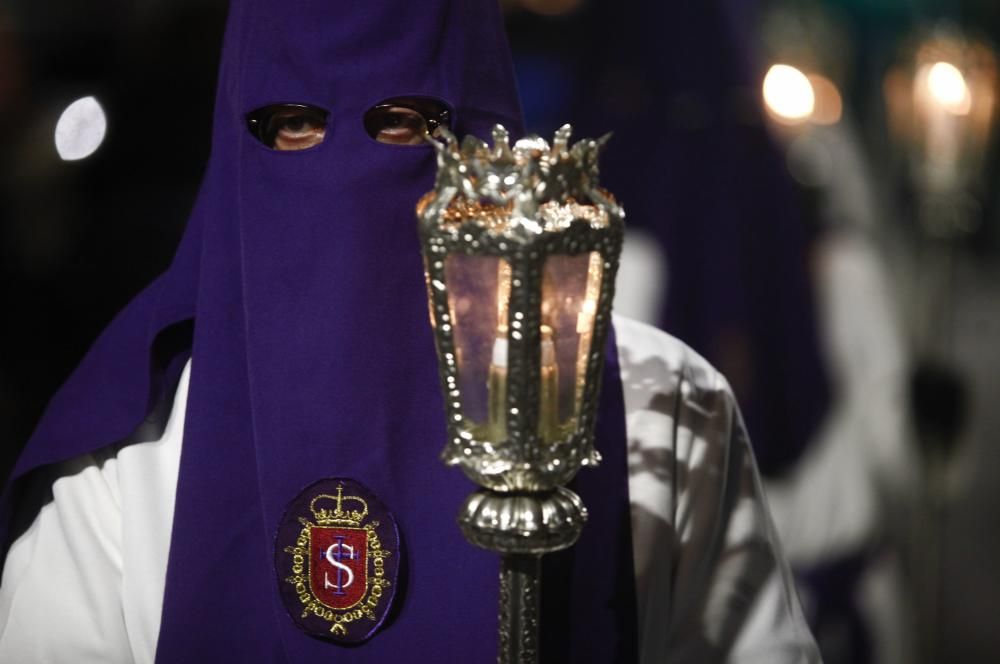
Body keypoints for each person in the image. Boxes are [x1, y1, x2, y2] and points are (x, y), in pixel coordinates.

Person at [0, 0, 819, 661]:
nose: (346, 165)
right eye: (294, 122)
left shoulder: (657, 411)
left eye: (403, 120)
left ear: (484, 131)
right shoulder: (118, 477)